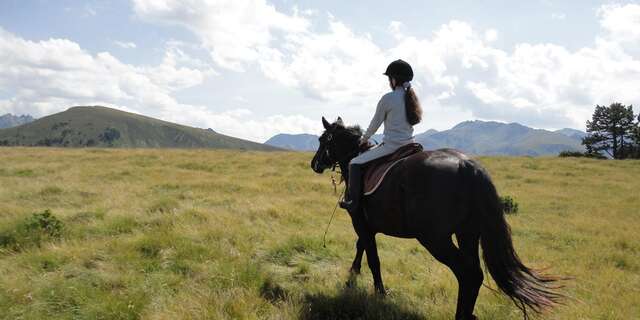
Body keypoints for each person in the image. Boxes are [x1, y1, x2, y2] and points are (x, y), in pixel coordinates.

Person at [339, 59, 423, 213]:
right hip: (410, 145)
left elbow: (374, 125)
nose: (389, 82)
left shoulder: (388, 98)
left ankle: (353, 202)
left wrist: (362, 141)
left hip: (392, 146)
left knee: (354, 163)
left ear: (394, 79)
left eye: (389, 78)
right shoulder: (411, 98)